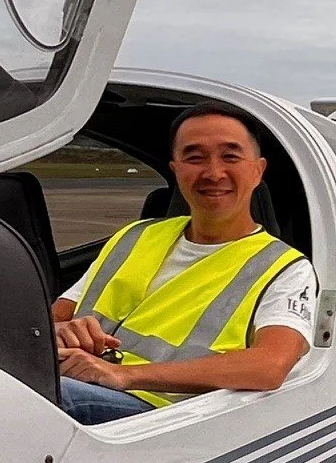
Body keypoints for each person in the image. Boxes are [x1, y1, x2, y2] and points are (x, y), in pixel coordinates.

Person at [51, 103, 318, 424]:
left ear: (258, 170)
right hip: (76, 376)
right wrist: (63, 332)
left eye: (230, 156)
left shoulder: (285, 267)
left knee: (39, 399)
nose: (214, 173)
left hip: (158, 410)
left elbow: (271, 364)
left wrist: (126, 375)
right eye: (194, 157)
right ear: (176, 169)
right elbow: (53, 319)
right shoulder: (137, 235)